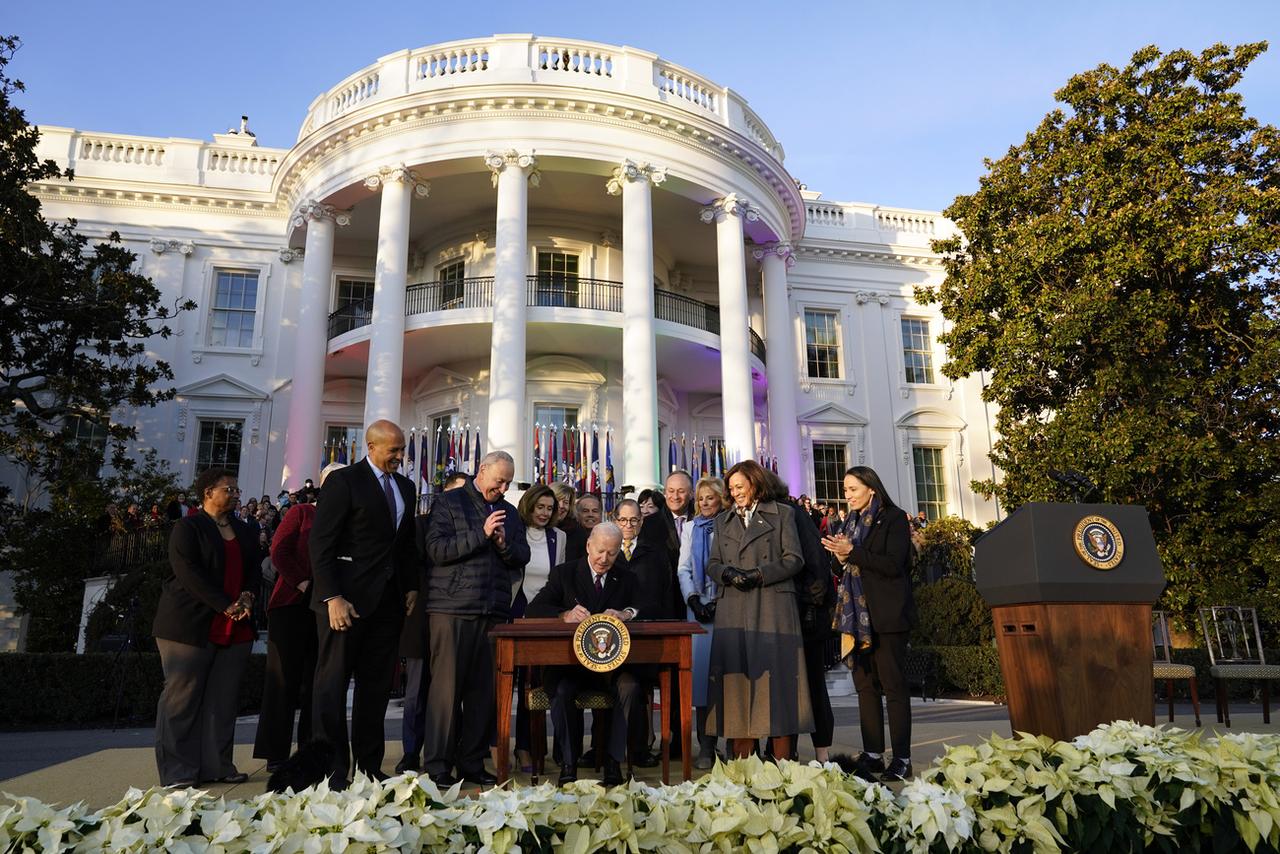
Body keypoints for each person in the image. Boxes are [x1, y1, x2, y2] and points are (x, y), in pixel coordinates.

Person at [309, 421, 420, 788]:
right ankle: (331, 770)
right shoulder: (343, 482)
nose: (400, 457)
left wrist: (411, 587)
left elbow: (403, 545)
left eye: (402, 449)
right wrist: (332, 597)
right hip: (345, 604)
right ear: (371, 446)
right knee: (332, 685)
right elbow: (321, 544)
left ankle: (369, 768)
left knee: (375, 689)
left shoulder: (406, 487)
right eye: (394, 450)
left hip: (387, 606)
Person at [423, 450, 530, 787]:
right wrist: (481, 534)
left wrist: (501, 544)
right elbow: (437, 551)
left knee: (482, 692)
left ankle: (472, 762)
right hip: (451, 608)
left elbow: (521, 555)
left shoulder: (510, 513)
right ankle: (438, 764)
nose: (503, 488)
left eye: (508, 483)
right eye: (500, 481)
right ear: (482, 471)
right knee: (445, 691)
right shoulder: (449, 502)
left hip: (494, 611)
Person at [152, 467, 260, 787]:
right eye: (229, 489)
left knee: (223, 701)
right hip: (190, 623)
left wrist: (248, 596)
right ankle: (178, 773)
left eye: (237, 489)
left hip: (236, 625)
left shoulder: (245, 530)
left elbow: (254, 569)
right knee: (181, 700)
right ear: (208, 492)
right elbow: (187, 573)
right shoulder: (189, 527)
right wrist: (225, 604)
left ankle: (218, 766)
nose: (235, 494)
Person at [706, 460, 810, 761]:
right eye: (731, 488)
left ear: (755, 484)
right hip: (735, 607)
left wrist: (760, 574)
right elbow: (712, 563)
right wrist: (726, 574)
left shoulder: (783, 515)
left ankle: (783, 762)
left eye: (740, 486)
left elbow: (794, 560)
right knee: (738, 684)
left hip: (772, 606)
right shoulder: (722, 520)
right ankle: (743, 763)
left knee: (778, 682)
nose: (735, 492)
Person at [525, 522, 645, 786]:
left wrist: (627, 614)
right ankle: (569, 763)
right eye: (600, 551)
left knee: (630, 687)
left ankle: (614, 763)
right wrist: (564, 615)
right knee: (563, 691)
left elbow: (646, 606)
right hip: (570, 665)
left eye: (612, 553)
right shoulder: (564, 574)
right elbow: (535, 609)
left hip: (612, 667)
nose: (605, 559)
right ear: (589, 545)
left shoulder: (626, 577)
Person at [823, 465, 915, 782]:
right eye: (845, 490)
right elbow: (846, 565)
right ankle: (873, 753)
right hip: (856, 618)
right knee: (865, 687)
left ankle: (902, 757)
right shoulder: (849, 521)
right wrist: (839, 554)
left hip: (887, 615)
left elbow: (893, 564)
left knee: (894, 687)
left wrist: (853, 552)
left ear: (871, 488)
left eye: (853, 489)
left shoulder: (893, 517)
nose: (847, 496)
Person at [252, 463, 339, 772]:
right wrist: (302, 582)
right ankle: (275, 752)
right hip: (291, 605)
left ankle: (309, 750)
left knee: (317, 682)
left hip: (325, 608)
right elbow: (279, 550)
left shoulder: (346, 520)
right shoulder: (301, 512)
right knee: (283, 680)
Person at [763, 470, 835, 763]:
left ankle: (822, 754)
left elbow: (815, 564)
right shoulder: (770, 514)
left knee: (812, 684)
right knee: (783, 685)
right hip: (785, 614)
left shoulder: (790, 513)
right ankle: (782, 750)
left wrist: (807, 607)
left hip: (805, 615)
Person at [397, 471, 467, 774]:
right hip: (421, 619)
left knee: (452, 693)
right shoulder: (418, 525)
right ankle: (411, 752)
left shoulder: (473, 530)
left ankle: (450, 752)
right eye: (456, 493)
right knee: (416, 692)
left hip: (456, 620)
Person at [512, 483, 565, 772]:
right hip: (516, 612)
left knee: (540, 684)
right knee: (517, 683)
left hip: (545, 616)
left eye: (549, 508)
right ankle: (515, 747)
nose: (544, 513)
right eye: (540, 507)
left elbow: (560, 580)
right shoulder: (515, 531)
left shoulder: (560, 537)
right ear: (529, 505)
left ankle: (538, 748)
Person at [675, 476, 726, 768]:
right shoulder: (691, 528)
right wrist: (692, 598)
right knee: (703, 679)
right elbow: (684, 568)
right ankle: (706, 745)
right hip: (699, 611)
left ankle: (735, 741)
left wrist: (721, 599)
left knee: (730, 675)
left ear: (721, 498)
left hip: (728, 607)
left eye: (711, 497)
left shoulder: (730, 524)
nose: (705, 503)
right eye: (701, 498)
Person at [565, 492, 600, 562]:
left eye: (595, 511)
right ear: (577, 514)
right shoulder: (568, 539)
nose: (590, 514)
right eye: (585, 511)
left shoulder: (608, 537)